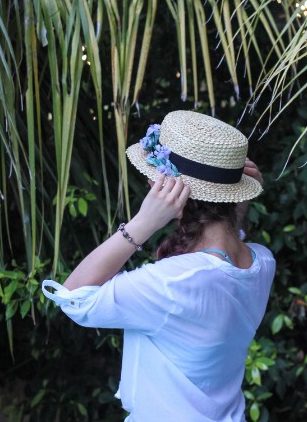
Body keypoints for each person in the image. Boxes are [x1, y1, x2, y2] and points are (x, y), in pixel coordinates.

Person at [42, 110, 275, 421]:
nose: (150, 180)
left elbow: (74, 296)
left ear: (172, 189)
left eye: (153, 173)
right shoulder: (261, 261)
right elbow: (227, 253)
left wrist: (141, 225)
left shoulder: (172, 283)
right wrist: (238, 209)